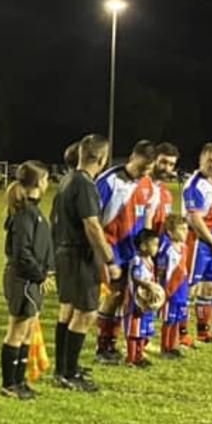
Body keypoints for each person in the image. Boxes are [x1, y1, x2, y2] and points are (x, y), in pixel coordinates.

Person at [51, 133, 118, 392]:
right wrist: (109, 259)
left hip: (64, 252)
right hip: (80, 255)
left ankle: (64, 368)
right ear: (101, 158)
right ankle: (69, 373)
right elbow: (91, 225)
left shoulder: (67, 180)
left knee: (67, 310)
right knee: (86, 312)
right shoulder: (85, 184)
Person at [93, 140, 157, 364]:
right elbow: (94, 219)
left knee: (128, 298)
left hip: (134, 250)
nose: (145, 172)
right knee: (114, 295)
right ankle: (103, 346)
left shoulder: (147, 184)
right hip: (112, 248)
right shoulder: (108, 181)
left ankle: (114, 342)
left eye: (149, 168)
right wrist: (103, 254)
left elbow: (147, 215)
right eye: (142, 167)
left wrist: (147, 247)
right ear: (132, 157)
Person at [1, 161, 54, 400]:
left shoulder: (33, 211)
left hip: (31, 279)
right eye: (46, 179)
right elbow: (22, 252)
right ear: (39, 181)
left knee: (27, 331)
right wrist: (39, 274)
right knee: (17, 331)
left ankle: (19, 381)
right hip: (22, 279)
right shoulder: (24, 213)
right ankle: (9, 384)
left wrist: (47, 271)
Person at [182, 143, 212, 345]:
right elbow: (195, 219)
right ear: (201, 160)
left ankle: (203, 331)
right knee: (190, 288)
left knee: (210, 287)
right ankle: (182, 333)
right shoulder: (194, 185)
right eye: (209, 160)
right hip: (198, 241)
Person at [124, 229, 164, 367]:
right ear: (143, 246)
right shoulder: (137, 260)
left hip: (146, 304)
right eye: (154, 245)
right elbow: (135, 277)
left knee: (144, 331)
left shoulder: (151, 261)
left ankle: (140, 355)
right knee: (134, 332)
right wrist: (148, 285)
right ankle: (131, 358)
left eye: (157, 245)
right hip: (135, 303)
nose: (156, 248)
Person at [156, 215, 191, 358]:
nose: (185, 232)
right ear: (170, 232)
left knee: (178, 318)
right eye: (181, 229)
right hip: (171, 290)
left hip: (182, 289)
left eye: (186, 229)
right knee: (169, 319)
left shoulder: (184, 248)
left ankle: (174, 345)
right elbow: (162, 270)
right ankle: (165, 347)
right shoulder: (167, 249)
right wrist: (163, 288)